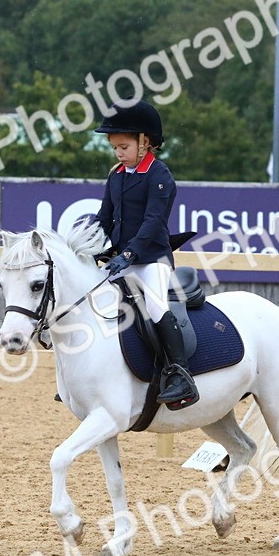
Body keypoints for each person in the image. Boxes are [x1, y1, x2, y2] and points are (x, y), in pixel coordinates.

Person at [93, 100, 198, 409]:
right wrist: (87, 244)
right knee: (95, 300)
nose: (118, 153)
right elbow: (104, 217)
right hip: (122, 258)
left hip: (151, 259)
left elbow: (153, 223)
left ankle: (181, 373)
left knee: (154, 306)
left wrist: (128, 253)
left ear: (145, 141)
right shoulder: (116, 175)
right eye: (114, 148)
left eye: (123, 146)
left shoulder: (160, 176)